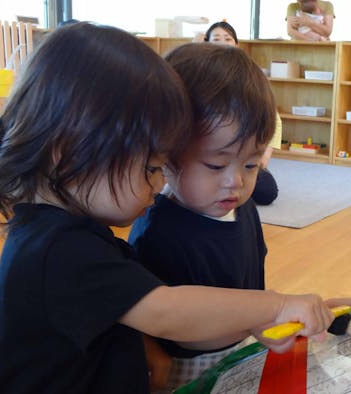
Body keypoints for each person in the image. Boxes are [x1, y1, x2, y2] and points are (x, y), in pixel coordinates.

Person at [0, 22, 338, 393]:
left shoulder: (74, 236)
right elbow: (166, 312)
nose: (160, 183)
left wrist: (261, 322)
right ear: (67, 151)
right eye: (151, 168)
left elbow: (122, 315)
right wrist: (272, 307)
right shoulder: (57, 250)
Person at [127, 42, 274, 392]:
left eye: (251, 164)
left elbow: (254, 283)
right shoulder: (157, 232)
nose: (236, 181)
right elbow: (174, 329)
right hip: (188, 369)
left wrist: (267, 318)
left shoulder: (244, 209)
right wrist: (262, 316)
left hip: (241, 349)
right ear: (169, 155)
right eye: (216, 165)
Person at [200, 20, 281, 205]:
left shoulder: (248, 75)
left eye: (227, 39)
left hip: (241, 154)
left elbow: (273, 118)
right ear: (205, 44)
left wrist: (262, 155)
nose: (221, 43)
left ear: (236, 44)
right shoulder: (199, 74)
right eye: (216, 39)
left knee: (267, 191)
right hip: (207, 154)